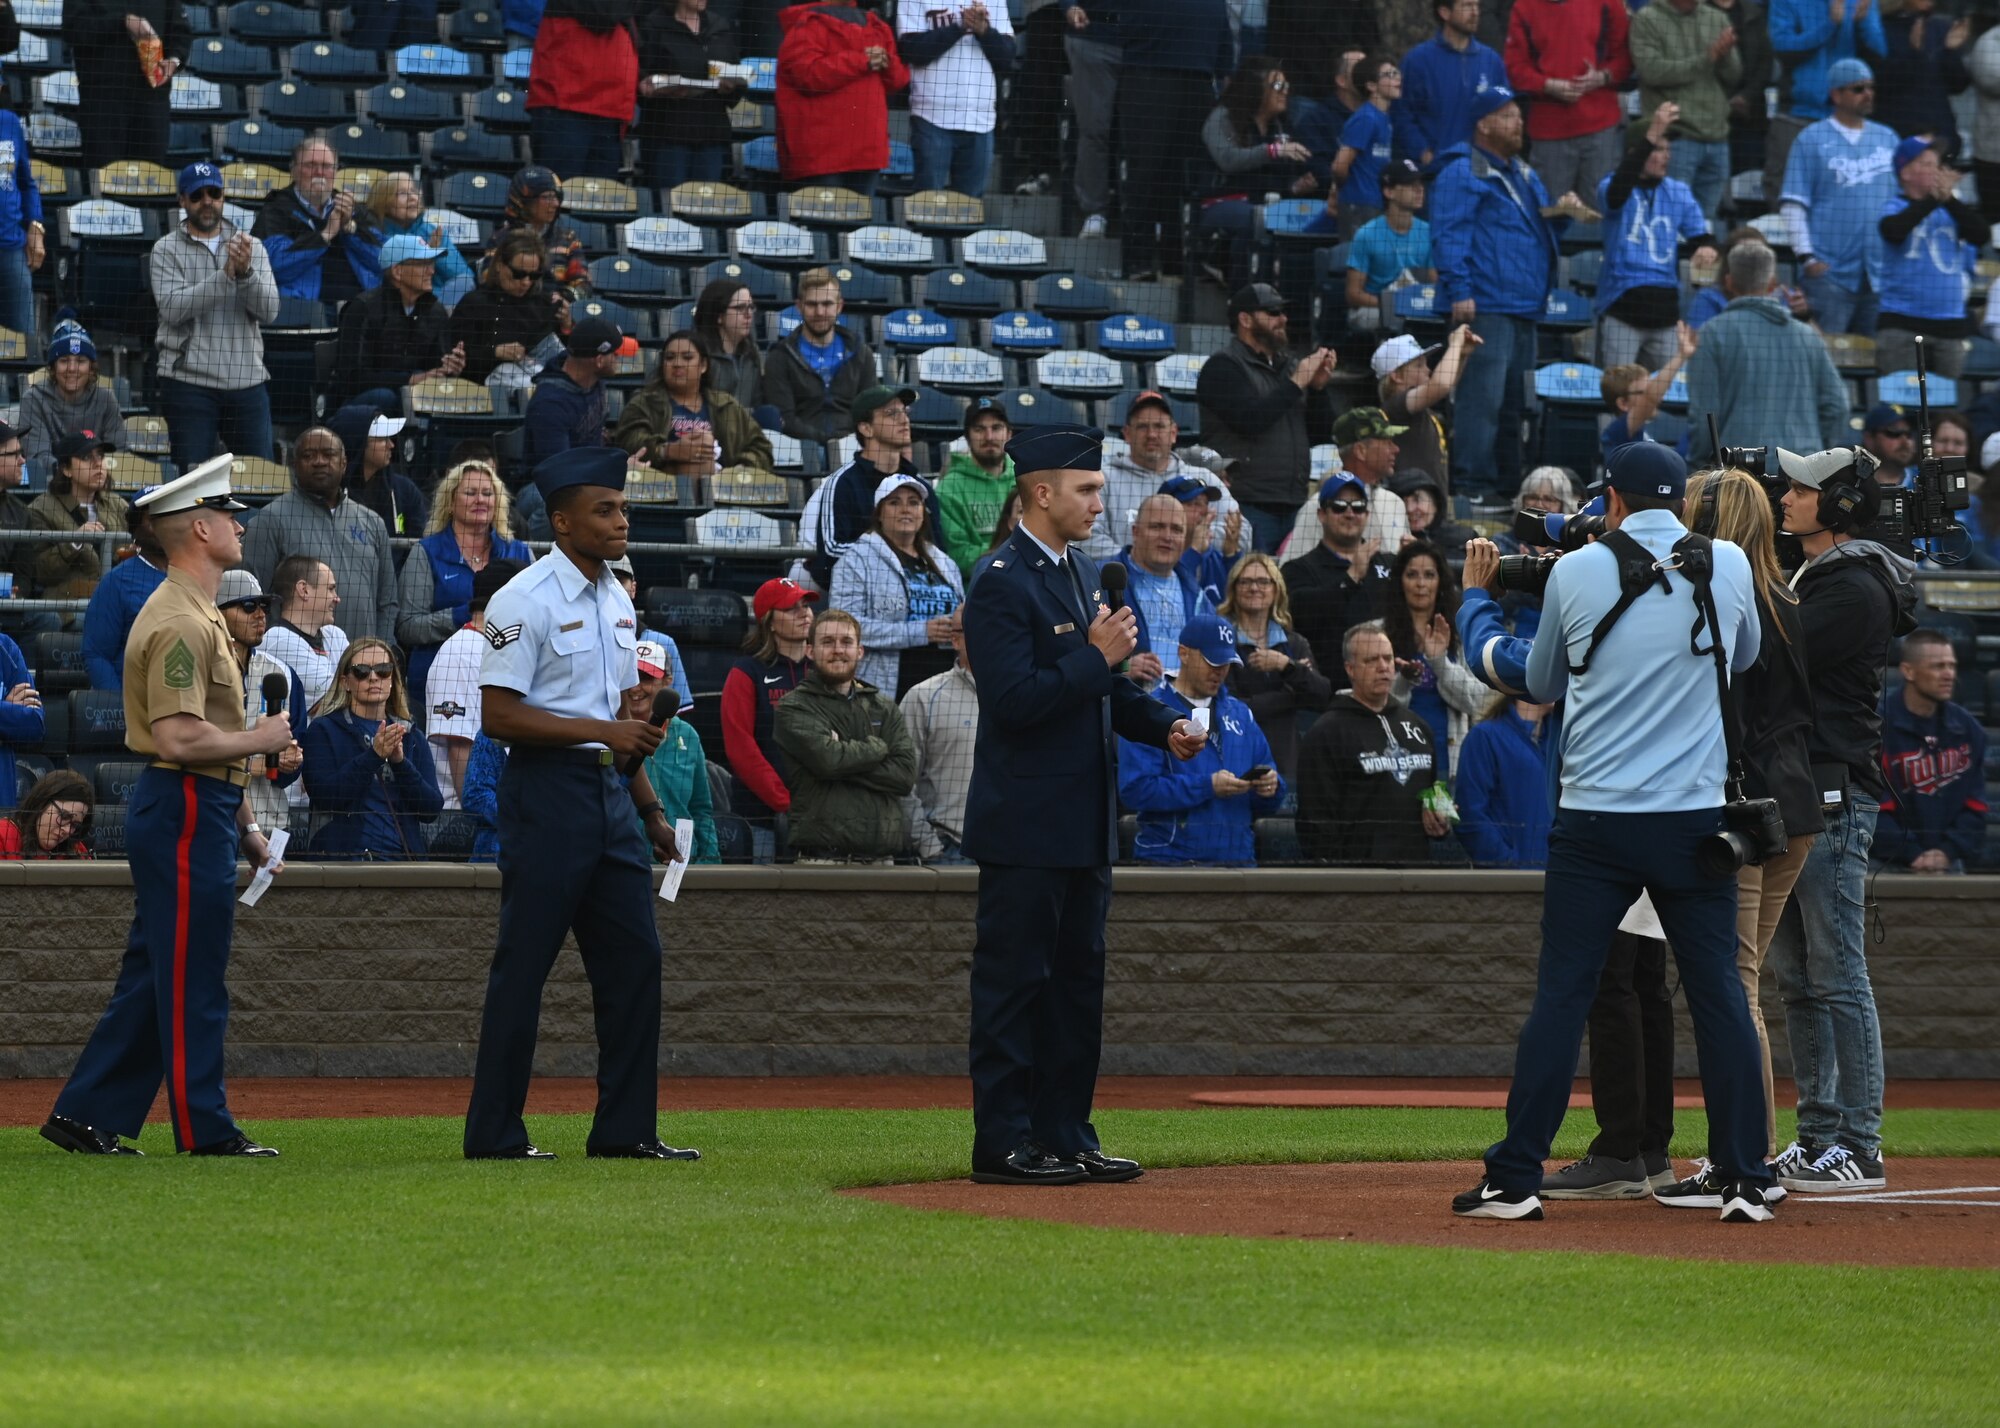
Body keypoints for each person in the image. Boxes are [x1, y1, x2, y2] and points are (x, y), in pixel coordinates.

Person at [1448, 442, 1775, 1224]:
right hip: (1694, 818)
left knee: (1562, 996)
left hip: (1596, 821)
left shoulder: (1577, 569)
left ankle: (1513, 1180)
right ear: (1681, 503)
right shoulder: (1727, 563)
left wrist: (1475, 604)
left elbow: (1534, 680)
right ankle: (1742, 1175)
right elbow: (1748, 656)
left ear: (1615, 500)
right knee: (1719, 995)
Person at [959, 422, 1206, 1184]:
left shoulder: (1080, 573)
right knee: (1014, 990)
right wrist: (1094, 657)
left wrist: (1164, 724)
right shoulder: (1000, 579)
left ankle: (1066, 1131)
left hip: (1084, 824)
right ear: (1041, 492)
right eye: (1088, 489)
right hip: (1026, 826)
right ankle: (1003, 1141)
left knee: (1075, 991)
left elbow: (1099, 697)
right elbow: (1015, 701)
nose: (1101, 501)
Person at [43, 457, 293, 1159]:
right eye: (229, 514)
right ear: (200, 528)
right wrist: (263, 738)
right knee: (193, 976)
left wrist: (244, 828)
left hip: (199, 806)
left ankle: (85, 1114)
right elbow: (182, 738)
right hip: (184, 803)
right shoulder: (183, 619)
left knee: (160, 970)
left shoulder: (196, 609)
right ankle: (205, 1130)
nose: (241, 523)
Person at [462, 444, 696, 1163]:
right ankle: (496, 1134)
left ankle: (625, 1131)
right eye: (606, 510)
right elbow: (499, 717)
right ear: (563, 522)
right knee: (524, 969)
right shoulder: (520, 599)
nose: (622, 520)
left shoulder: (616, 603)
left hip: (610, 796)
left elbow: (621, 717)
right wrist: (608, 729)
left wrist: (650, 809)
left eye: (623, 508)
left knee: (636, 964)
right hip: (545, 791)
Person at [1763, 444, 1916, 1195]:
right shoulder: (1822, 577)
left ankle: (1861, 1142)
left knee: (1837, 973)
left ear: (1840, 504)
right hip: (1803, 793)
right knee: (1797, 975)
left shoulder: (1852, 586)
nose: (1785, 497)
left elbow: (1771, 654)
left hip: (1834, 797)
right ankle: (1818, 1135)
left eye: (1800, 489)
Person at [1681, 466, 1824, 1169]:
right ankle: (1751, 1153)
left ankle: (1747, 1157)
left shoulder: (1728, 602)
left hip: (1747, 811)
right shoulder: (1783, 594)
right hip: (1792, 805)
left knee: (1735, 984)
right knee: (1746, 978)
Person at [1432, 87, 1565, 497]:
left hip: (1525, 306)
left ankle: (1509, 487)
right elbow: (1448, 234)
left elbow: (1542, 229)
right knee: (1481, 403)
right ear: (1483, 124)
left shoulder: (1522, 171)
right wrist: (1460, 289)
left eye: (1518, 116)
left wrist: (1564, 214)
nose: (1518, 123)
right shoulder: (1462, 170)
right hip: (1485, 305)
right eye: (1507, 116)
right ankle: (1472, 486)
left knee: (1515, 405)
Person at [1119, 613, 1283, 864]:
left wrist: (1271, 787)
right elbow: (1136, 790)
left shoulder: (1240, 714)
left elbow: (1269, 788)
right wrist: (1207, 786)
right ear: (1184, 653)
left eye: (1226, 664)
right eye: (1212, 662)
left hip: (1238, 863)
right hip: (1171, 863)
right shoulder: (1149, 711)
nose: (1220, 672)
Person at [150, 160, 280, 471]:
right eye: (197, 195)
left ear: (223, 197)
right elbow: (173, 308)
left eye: (214, 193)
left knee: (262, 482)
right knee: (190, 484)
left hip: (247, 382)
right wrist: (226, 277)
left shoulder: (252, 248)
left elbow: (270, 311)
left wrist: (246, 273)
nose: (207, 201)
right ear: (182, 201)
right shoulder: (165, 249)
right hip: (188, 383)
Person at [1196, 283, 1336, 554]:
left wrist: (1318, 389)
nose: (1282, 319)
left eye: (1282, 312)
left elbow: (1322, 432)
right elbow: (1251, 421)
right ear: (1245, 319)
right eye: (1272, 312)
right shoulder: (1223, 367)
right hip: (1247, 504)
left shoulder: (1289, 368)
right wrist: (1297, 383)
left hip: (1294, 503)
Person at [770, 607, 916, 861]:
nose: (838, 649)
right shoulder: (794, 706)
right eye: (827, 642)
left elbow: (904, 776)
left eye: (846, 642)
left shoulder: (883, 706)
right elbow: (828, 761)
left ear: (860, 651)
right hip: (822, 862)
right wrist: (878, 748)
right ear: (810, 651)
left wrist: (843, 755)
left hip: (884, 863)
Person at [1685, 242, 1850, 464]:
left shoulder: (1711, 335)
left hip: (1739, 478)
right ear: (1772, 284)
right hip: (1801, 475)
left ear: (1729, 282)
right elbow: (1837, 406)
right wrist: (1816, 457)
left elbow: (1705, 414)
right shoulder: (1808, 336)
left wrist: (1700, 466)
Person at [1295, 623, 1446, 864]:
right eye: (1371, 660)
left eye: (1388, 658)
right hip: (1358, 881)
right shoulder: (1326, 734)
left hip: (1417, 875)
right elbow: (1315, 823)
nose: (1383, 667)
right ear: (1350, 669)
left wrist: (1441, 816)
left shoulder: (1419, 728)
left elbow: (1434, 792)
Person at [239, 427, 399, 643]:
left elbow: (387, 602)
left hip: (361, 666)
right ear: (294, 466)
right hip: (294, 658)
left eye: (328, 454)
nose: (319, 461)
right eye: (308, 456)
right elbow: (249, 595)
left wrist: (379, 651)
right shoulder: (269, 520)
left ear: (344, 463)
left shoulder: (372, 522)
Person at [1112, 0, 1233, 280]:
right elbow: (1117, 25)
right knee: (1145, 172)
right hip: (1148, 77)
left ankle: (1180, 258)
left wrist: (1224, 76)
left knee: (1188, 178)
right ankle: (1138, 260)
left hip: (1199, 83)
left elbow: (1224, 43)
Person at [398, 459, 534, 707]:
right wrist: (467, 615)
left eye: (487, 493)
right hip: (439, 687)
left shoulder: (520, 553)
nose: (480, 500)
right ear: (450, 503)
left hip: (508, 685)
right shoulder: (426, 552)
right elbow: (408, 626)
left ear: (497, 501)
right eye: (470, 493)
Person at [1781, 59, 1898, 337]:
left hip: (1879, 276)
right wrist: (1807, 258)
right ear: (1836, 94)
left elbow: (1902, 204)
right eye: (1858, 89)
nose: (1867, 94)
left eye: (1870, 87)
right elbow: (1793, 204)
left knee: (1876, 367)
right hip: (1830, 275)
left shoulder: (1888, 138)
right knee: (1825, 361)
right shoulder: (1811, 139)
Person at [1596, 104, 1717, 371]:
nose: (1666, 157)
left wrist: (1707, 249)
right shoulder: (1610, 186)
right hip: (1622, 312)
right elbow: (1616, 195)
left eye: (1668, 150)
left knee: (1673, 398)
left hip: (1665, 315)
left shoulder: (1679, 192)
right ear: (1635, 154)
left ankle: (1704, 418)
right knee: (1618, 397)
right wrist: (1652, 132)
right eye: (1658, 150)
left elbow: (1702, 237)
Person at [300, 639, 444, 858]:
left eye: (384, 670)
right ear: (345, 681)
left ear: (393, 680)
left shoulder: (410, 734)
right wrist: (374, 756)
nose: (374, 677)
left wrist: (400, 764)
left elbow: (431, 809)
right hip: (343, 863)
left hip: (405, 864)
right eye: (362, 671)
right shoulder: (323, 730)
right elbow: (325, 797)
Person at [829, 473, 964, 700]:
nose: (905, 509)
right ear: (879, 513)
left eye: (914, 503)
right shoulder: (856, 561)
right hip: (888, 687)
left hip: (946, 688)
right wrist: (921, 632)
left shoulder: (945, 563)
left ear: (923, 512)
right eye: (894, 502)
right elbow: (844, 628)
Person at [1198, 57, 1318, 290]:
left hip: (1268, 204)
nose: (1285, 92)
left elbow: (1280, 178)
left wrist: (1295, 186)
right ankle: (1243, 295)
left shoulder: (1281, 126)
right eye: (1277, 86)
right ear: (1254, 87)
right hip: (1223, 202)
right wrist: (1272, 151)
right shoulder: (1223, 118)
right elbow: (1228, 160)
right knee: (1257, 219)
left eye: (1286, 86)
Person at [800, 385, 938, 588]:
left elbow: (937, 548)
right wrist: (895, 554)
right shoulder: (843, 483)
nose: (904, 420)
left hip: (916, 586)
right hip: (858, 586)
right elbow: (831, 549)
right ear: (866, 428)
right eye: (891, 413)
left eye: (905, 412)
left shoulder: (920, 484)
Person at [1875, 626, 1987, 874]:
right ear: (1908, 671)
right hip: (1886, 862)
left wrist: (1946, 852)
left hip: (1948, 860)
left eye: (1952, 665)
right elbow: (1873, 808)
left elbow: (1975, 806)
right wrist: (1913, 853)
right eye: (1938, 666)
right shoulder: (1876, 727)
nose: (1949, 674)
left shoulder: (1969, 730)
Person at [1214, 549, 1329, 784]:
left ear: (1276, 589)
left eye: (1262, 581)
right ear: (1234, 589)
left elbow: (1321, 695)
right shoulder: (1222, 642)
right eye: (1245, 581)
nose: (1254, 588)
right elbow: (1232, 708)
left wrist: (1286, 666)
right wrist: (1291, 696)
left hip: (1286, 758)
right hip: (1237, 755)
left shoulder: (1294, 643)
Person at [1875, 136, 1985, 379]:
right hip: (1903, 325)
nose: (1936, 171)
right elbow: (1893, 231)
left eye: (1937, 165)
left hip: (1950, 328)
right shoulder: (1894, 206)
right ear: (1905, 173)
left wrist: (1949, 200)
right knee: (1903, 408)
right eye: (1926, 164)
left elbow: (1981, 234)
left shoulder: (1952, 209)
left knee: (1946, 412)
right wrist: (1934, 199)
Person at [721, 576, 816, 857]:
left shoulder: (824, 671)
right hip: (761, 818)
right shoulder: (746, 672)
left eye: (805, 605)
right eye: (791, 608)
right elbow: (741, 749)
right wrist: (785, 802)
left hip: (821, 816)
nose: (804, 613)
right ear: (769, 622)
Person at [775, 0, 910, 193]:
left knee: (858, 220)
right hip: (823, 154)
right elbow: (807, 76)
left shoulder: (877, 26)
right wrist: (862, 61)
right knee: (832, 220)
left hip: (865, 151)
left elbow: (897, 81)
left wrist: (887, 63)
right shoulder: (809, 24)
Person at [423, 559, 527, 808]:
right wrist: (477, 820)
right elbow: (461, 750)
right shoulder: (460, 652)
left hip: (499, 805)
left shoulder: (497, 647)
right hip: (460, 816)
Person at [1505, 0, 1630, 205]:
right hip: (1549, 133)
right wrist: (1548, 85)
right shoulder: (1524, 7)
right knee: (1549, 213)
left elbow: (1625, 56)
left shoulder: (1608, 3)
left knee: (1602, 212)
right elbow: (1515, 68)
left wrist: (1602, 77)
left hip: (1601, 128)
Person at [1628, 0, 1742, 223]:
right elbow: (1653, 72)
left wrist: (1725, 55)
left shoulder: (1715, 17)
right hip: (1676, 137)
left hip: (1717, 136)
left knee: (1704, 223)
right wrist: (1708, 57)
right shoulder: (1647, 19)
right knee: (1668, 218)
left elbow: (1733, 76)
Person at [1766, 0, 1885, 210]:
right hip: (1797, 116)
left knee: (1843, 199)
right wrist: (1830, 24)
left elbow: (1879, 52)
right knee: (1786, 197)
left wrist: (1861, 24)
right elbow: (1782, 47)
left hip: (1845, 120)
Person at [215, 568, 307, 837]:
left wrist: (292, 760)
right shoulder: (200, 672)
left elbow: (291, 766)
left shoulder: (282, 676)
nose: (260, 615)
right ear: (218, 614)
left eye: (264, 606)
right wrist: (250, 765)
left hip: (270, 824)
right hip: (212, 824)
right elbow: (186, 749)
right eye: (248, 606)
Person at [332, 234, 467, 412]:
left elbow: (434, 370)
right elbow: (352, 378)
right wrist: (409, 380)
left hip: (415, 398)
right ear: (398, 272)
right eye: (423, 264)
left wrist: (449, 369)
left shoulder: (436, 311)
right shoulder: (363, 308)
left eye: (431, 263)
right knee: (387, 396)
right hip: (360, 405)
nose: (432, 271)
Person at [1379, 541, 1482, 774]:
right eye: (1412, 575)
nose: (1420, 584)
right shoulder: (1377, 635)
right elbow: (1373, 703)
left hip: (1448, 759)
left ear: (1440, 582)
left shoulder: (1461, 636)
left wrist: (1440, 663)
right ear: (1399, 582)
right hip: (1392, 759)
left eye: (1429, 575)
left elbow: (1477, 702)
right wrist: (1403, 679)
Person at [1087, 391, 1226, 563]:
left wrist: (1189, 550)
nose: (1151, 434)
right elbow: (1088, 538)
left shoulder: (1202, 478)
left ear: (1174, 432)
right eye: (1142, 426)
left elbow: (1242, 534)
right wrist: (1139, 563)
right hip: (1125, 584)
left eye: (1159, 426)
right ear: (1127, 434)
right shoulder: (1103, 479)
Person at [613, 329, 776, 476]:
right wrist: (667, 451)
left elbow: (762, 448)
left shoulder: (727, 406)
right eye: (670, 358)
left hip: (721, 494)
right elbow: (628, 442)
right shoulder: (644, 403)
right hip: (664, 489)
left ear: (703, 365)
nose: (677, 363)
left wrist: (738, 470)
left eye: (687, 357)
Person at [897, 0, 1015, 196]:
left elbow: (1007, 56)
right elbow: (912, 50)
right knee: (927, 210)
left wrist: (984, 30)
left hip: (980, 119)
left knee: (970, 216)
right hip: (932, 116)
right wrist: (959, 26)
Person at [253, 139, 383, 306]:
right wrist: (325, 235)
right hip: (301, 309)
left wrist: (350, 228)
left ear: (336, 171)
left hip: (359, 307)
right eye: (310, 165)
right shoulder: (277, 208)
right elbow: (272, 266)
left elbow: (382, 261)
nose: (319, 172)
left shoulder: (353, 208)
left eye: (327, 166)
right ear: (293, 170)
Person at [65, 0, 189, 169]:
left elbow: (181, 31)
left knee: (150, 185)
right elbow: (74, 30)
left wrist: (174, 60)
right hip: (103, 104)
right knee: (105, 183)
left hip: (152, 103)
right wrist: (123, 21)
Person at [637, 0, 746, 191]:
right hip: (668, 134)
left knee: (704, 207)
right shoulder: (654, 25)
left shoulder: (719, 26)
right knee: (668, 206)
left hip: (711, 134)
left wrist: (731, 85)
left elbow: (734, 71)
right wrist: (659, 85)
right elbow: (642, 75)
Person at [1280, 472, 1391, 661]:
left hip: (1388, 680)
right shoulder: (1298, 569)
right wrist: (1351, 577)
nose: (1349, 514)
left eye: (1357, 507)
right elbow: (1303, 615)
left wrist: (1416, 557)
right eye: (1339, 507)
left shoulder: (1389, 563)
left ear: (1366, 514)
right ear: (1321, 514)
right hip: (1328, 684)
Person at [762, 268, 878, 445]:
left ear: (839, 306)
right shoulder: (780, 357)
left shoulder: (861, 354)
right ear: (799, 306)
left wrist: (845, 444)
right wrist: (827, 442)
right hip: (800, 447)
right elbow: (784, 419)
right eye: (812, 304)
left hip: (853, 446)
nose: (820, 312)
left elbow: (870, 412)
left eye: (827, 304)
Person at [527, 0, 641, 180]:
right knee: (560, 197)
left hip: (608, 110)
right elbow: (604, 12)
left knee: (599, 204)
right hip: (566, 107)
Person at [628, 641, 720, 862]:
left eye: (646, 678)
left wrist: (710, 862)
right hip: (624, 859)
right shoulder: (607, 732)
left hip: (679, 863)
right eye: (629, 676)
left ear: (667, 682)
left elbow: (701, 809)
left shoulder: (687, 734)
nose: (635, 687)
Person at [899, 606, 978, 862]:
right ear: (955, 639)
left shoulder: (1026, 694)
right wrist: (930, 847)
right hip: (951, 849)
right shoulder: (923, 696)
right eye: (976, 629)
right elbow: (900, 783)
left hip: (1016, 854)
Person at [1396, 0, 1509, 166]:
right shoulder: (1418, 61)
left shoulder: (1491, 60)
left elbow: (1505, 111)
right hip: (1436, 172)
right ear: (1445, 12)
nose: (1475, 12)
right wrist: (1423, 152)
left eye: (1477, 6)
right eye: (1467, 6)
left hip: (1483, 171)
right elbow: (1401, 114)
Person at [449, 231, 564, 389]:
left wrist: (567, 327)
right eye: (518, 274)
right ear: (499, 266)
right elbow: (450, 358)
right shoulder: (474, 303)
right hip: (481, 392)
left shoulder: (544, 304)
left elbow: (563, 359)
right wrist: (494, 353)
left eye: (534, 275)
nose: (525, 282)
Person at [28, 432, 127, 612]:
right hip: (69, 608)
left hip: (117, 603)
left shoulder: (118, 505)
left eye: (101, 456)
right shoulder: (41, 509)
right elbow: (40, 572)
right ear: (66, 469)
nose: (98, 464)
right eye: (87, 457)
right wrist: (75, 542)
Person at [1454, 692, 1552, 867]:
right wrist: (1508, 864)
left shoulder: (1559, 741)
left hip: (1554, 879)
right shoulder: (1484, 736)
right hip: (1509, 882)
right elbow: (1470, 816)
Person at [1372, 330, 1476, 493]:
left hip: (1431, 503)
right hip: (1413, 504)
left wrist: (1461, 354)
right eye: (1419, 365)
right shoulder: (1395, 406)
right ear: (1396, 377)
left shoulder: (1417, 407)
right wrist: (1454, 344)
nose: (1427, 370)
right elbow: (1441, 385)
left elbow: (1447, 384)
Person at [1114, 493, 1203, 683]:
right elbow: (1079, 651)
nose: (1167, 537)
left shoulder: (1197, 594)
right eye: (1157, 527)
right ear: (1135, 532)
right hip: (1128, 704)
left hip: (1180, 706)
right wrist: (1123, 667)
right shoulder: (1104, 580)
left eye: (1177, 529)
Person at [81, 502, 166, 691]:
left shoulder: (193, 574)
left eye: (169, 518)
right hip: (136, 703)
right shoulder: (116, 582)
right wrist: (120, 707)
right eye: (154, 519)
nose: (164, 525)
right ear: (135, 528)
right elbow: (96, 654)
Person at [1342, 159, 1433, 333]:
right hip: (1375, 307)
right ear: (1389, 191)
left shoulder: (1428, 232)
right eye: (1409, 184)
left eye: (1420, 184)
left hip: (1417, 303)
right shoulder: (1366, 235)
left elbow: (1434, 281)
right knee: (1389, 318)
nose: (1419, 189)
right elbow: (1353, 295)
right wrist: (1394, 303)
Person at [523, 316, 627, 468]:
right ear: (599, 361)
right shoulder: (550, 405)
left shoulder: (593, 379)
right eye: (615, 354)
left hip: (589, 473)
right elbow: (559, 472)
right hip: (545, 486)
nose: (619, 358)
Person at [22, 324, 126, 467]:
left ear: (91, 368)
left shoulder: (106, 399)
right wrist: (77, 474)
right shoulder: (33, 399)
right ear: (53, 367)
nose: (72, 369)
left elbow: (119, 453)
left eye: (81, 361)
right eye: (64, 361)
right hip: (53, 484)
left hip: (98, 481)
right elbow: (38, 458)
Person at [1061, 0, 1123, 240]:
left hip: (1146, 43)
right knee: (1094, 129)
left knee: (1144, 135)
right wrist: (1069, 7)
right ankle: (1095, 211)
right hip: (1092, 37)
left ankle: (1147, 216)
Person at [367, 174, 474, 309]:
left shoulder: (433, 231)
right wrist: (426, 255)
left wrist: (434, 255)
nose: (412, 197)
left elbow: (463, 276)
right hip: (396, 305)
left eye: (413, 191)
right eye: (402, 193)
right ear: (383, 202)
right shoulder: (374, 234)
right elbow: (383, 281)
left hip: (438, 304)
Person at [936, 397, 1016, 576]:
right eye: (979, 429)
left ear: (1009, 434)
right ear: (968, 437)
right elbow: (958, 556)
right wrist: (1015, 556)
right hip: (979, 585)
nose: (989, 437)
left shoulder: (1025, 478)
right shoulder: (949, 489)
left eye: (996, 428)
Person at [1875, 0, 1970, 149]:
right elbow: (1882, 87)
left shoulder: (1940, 28)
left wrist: (1950, 52)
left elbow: (1958, 86)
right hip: (1901, 142)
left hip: (1942, 139)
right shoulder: (1879, 30)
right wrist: (1913, 53)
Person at [1598, 325, 1699, 464]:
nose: (1658, 396)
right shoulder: (1616, 433)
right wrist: (1681, 355)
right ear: (1623, 403)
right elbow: (1651, 398)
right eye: (1645, 391)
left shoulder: (1644, 431)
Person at [260, 555, 350, 708]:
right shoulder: (279, 639)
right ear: (304, 590)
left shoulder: (334, 635)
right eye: (330, 589)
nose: (337, 598)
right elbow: (332, 701)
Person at [329, 406, 428, 541]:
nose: (391, 445)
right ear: (359, 444)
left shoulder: (405, 490)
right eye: (382, 439)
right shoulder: (330, 492)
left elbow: (419, 541)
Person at [1327, 55, 1398, 239]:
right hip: (1359, 204)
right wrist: (1345, 190)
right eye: (1389, 75)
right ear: (1371, 86)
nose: (1397, 79)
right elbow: (1339, 165)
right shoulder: (1366, 118)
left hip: (1375, 202)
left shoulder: (1385, 118)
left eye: (1397, 73)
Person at [493, 166, 590, 300]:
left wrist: (564, 297)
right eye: (547, 197)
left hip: (556, 314)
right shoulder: (500, 239)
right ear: (524, 201)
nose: (556, 203)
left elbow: (584, 285)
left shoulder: (568, 239)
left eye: (557, 197)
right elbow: (490, 281)